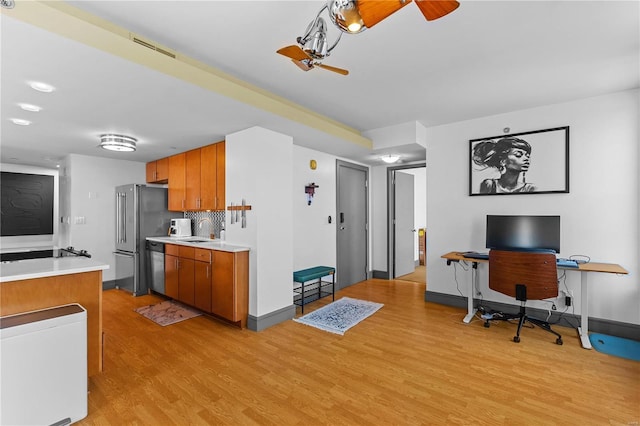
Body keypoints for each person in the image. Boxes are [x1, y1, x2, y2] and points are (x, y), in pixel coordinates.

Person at [472, 137, 536, 194]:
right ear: (503, 161)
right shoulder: (490, 185)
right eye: (518, 155)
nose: (526, 159)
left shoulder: (531, 188)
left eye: (527, 156)